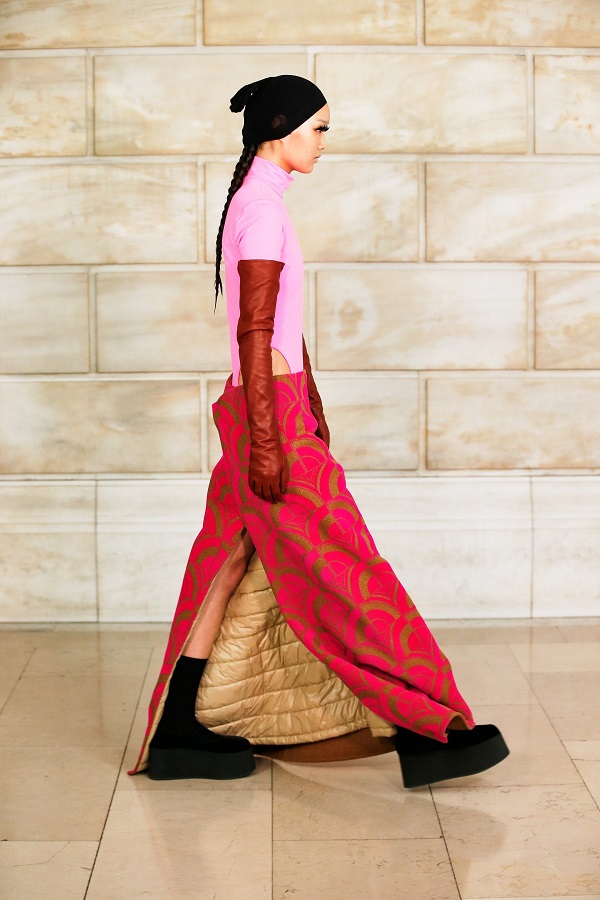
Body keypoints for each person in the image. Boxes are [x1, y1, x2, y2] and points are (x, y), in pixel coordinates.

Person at [129, 75, 509, 788]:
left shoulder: (258, 203)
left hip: (267, 407)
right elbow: (255, 333)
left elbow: (277, 328)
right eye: (319, 128)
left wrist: (310, 407)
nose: (325, 142)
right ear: (281, 127)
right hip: (266, 414)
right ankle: (425, 728)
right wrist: (273, 438)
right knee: (347, 568)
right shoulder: (261, 211)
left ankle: (179, 728)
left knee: (228, 560)